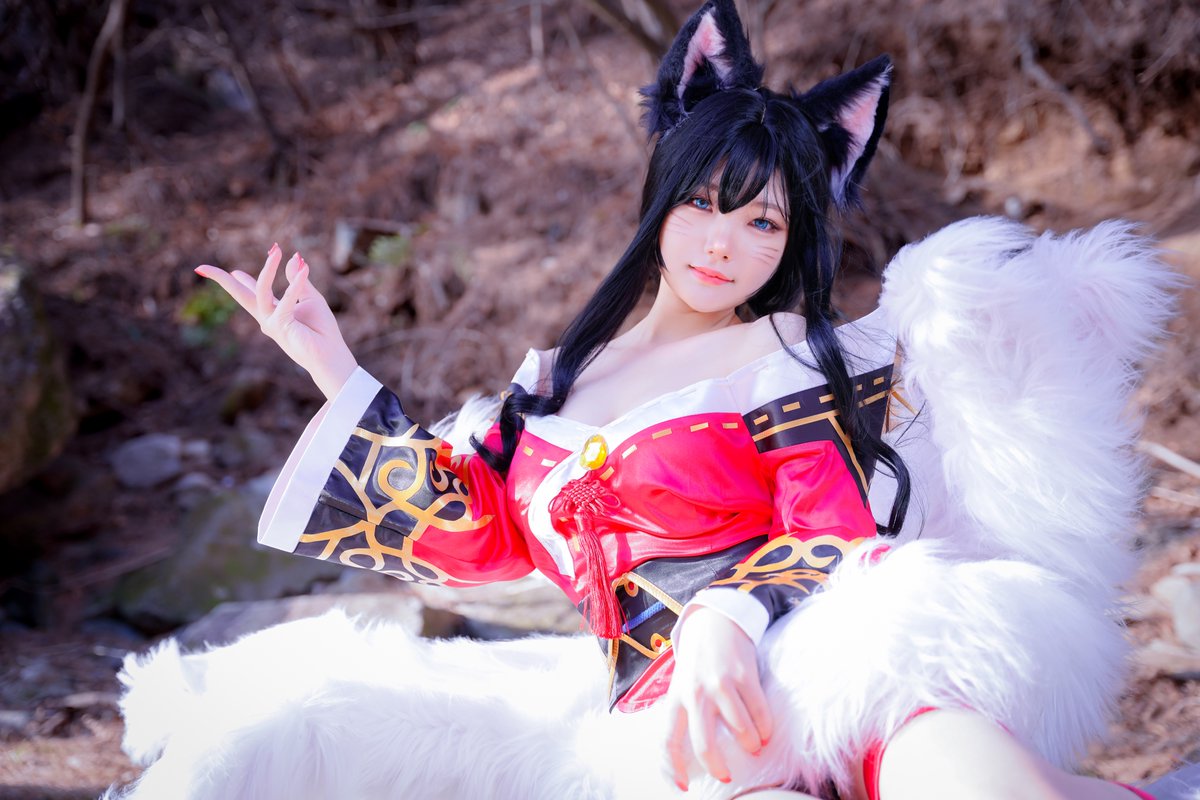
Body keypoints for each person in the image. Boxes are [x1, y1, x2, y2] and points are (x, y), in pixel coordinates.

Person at [110, 1, 1175, 798]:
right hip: (668, 734)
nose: (726, 243)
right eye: (706, 204)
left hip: (832, 658)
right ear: (663, 192)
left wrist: (724, 612)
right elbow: (466, 530)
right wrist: (332, 366)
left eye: (764, 222)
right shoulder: (548, 389)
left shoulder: (789, 358)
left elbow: (833, 530)